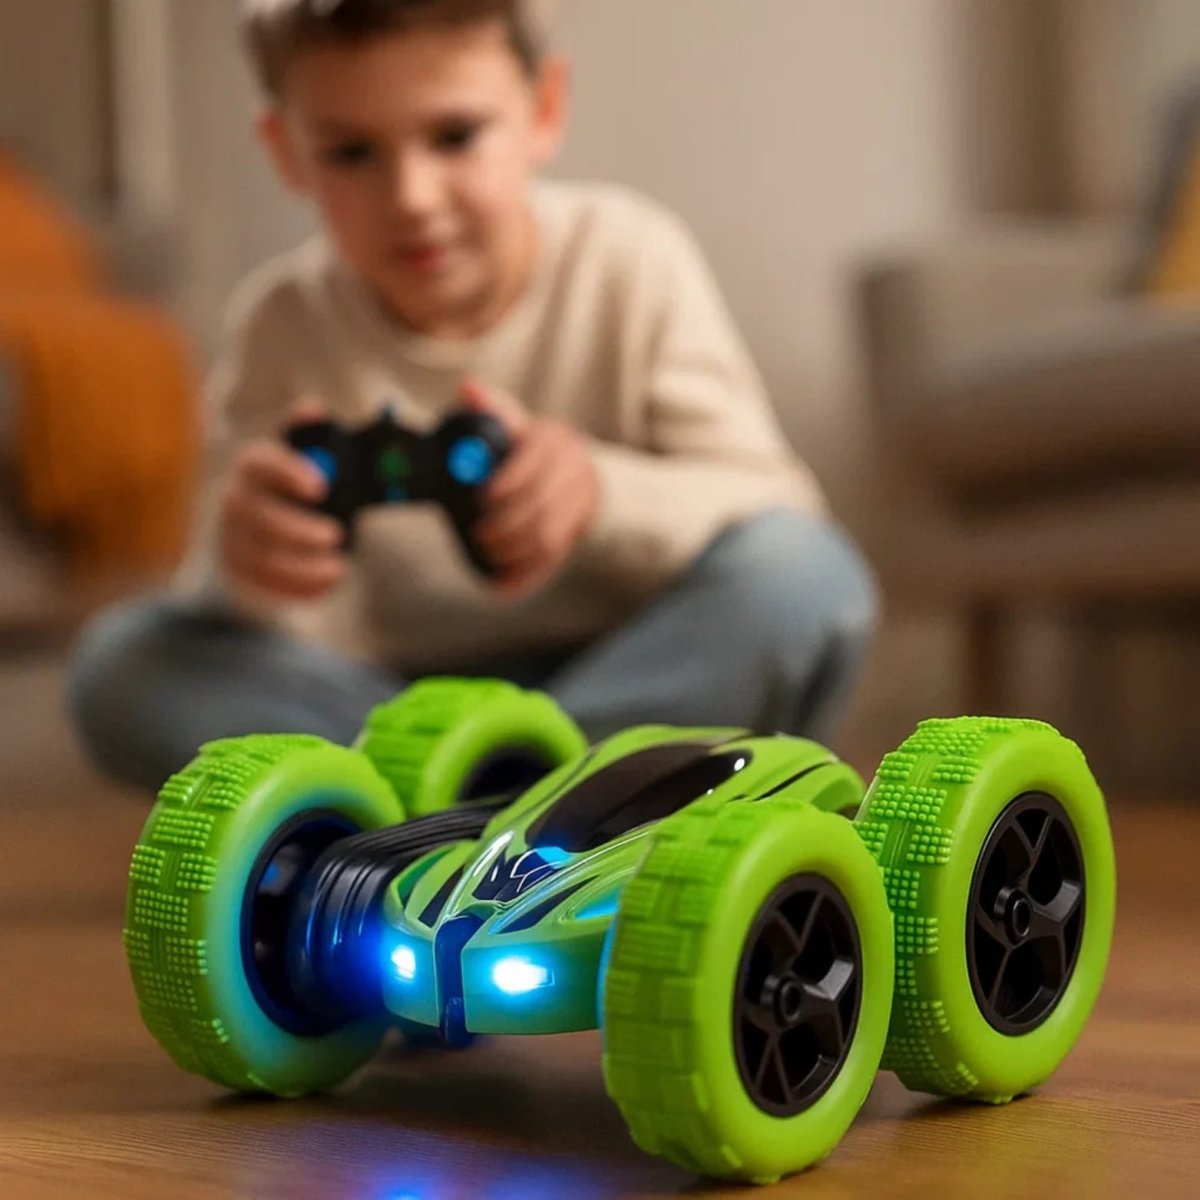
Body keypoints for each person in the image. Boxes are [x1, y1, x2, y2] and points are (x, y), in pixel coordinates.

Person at [68, 0, 878, 792]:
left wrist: (602, 495)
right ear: (287, 152)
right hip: (391, 703)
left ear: (543, 110)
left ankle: (464, 809)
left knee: (807, 576)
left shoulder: (629, 259)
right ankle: (551, 807)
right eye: (352, 153)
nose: (413, 197)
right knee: (122, 666)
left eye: (455, 137)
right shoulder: (280, 324)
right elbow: (226, 604)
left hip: (629, 662)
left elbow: (777, 505)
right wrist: (245, 562)